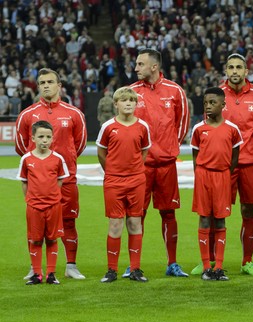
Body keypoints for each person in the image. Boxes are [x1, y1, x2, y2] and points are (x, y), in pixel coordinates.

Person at [202, 53, 253, 277]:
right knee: (214, 212)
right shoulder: (217, 95)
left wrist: (249, 147)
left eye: (239, 67)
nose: (234, 71)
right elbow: (210, 125)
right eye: (230, 67)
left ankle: (247, 262)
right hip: (223, 165)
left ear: (246, 71)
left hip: (250, 162)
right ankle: (210, 261)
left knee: (248, 211)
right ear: (225, 70)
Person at [15, 68, 86, 281]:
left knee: (69, 222)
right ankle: (34, 268)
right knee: (36, 227)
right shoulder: (27, 115)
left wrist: (65, 163)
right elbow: (21, 147)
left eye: (50, 82)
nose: (46, 85)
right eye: (42, 82)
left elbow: (79, 144)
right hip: (38, 183)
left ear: (59, 86)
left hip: (67, 179)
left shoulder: (74, 114)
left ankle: (71, 266)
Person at [130, 48, 190, 278]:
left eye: (140, 64)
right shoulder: (131, 92)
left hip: (166, 165)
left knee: (168, 213)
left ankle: (172, 263)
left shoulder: (175, 91)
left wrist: (168, 149)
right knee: (138, 214)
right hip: (140, 166)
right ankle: (134, 265)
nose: (136, 68)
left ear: (154, 67)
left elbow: (182, 126)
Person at [95, 87, 151, 283]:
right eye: (124, 100)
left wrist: (134, 170)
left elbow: (144, 151)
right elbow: (101, 153)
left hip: (136, 180)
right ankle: (111, 270)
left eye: (131, 100)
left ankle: (135, 269)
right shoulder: (108, 127)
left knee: (135, 222)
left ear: (136, 104)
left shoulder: (143, 126)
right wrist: (112, 171)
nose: (128, 103)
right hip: (114, 181)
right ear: (116, 104)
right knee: (116, 224)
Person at [190, 87, 242, 281]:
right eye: (205, 103)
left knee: (220, 220)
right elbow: (196, 157)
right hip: (204, 176)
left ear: (223, 105)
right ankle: (206, 267)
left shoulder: (232, 129)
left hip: (222, 177)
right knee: (204, 218)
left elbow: (235, 156)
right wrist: (204, 174)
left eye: (212, 103)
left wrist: (224, 174)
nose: (208, 106)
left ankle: (219, 267)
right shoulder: (198, 129)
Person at [17, 121, 69, 285]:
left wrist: (52, 196)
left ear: (52, 138)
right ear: (33, 138)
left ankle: (51, 274)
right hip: (34, 207)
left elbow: (60, 180)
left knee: (52, 239)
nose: (44, 140)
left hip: (53, 206)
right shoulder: (27, 159)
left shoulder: (57, 159)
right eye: (41, 136)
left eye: (48, 137)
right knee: (35, 240)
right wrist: (31, 199)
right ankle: (37, 274)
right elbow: (24, 182)